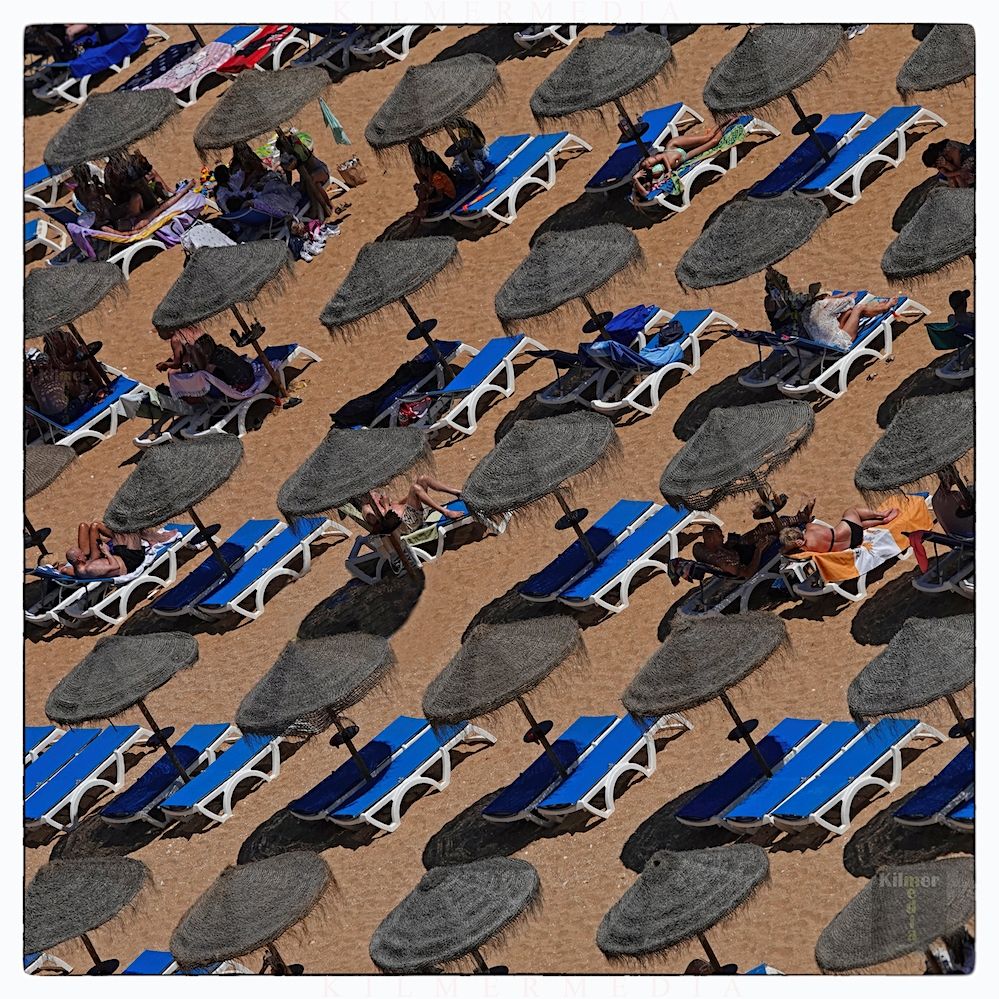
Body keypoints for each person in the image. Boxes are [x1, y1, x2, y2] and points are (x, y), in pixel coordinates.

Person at [631, 116, 739, 198]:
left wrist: (668, 170)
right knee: (714, 142)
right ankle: (727, 127)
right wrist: (636, 179)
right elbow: (645, 194)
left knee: (708, 137)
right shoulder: (650, 184)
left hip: (674, 147)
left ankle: (726, 119)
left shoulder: (645, 165)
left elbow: (663, 156)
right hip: (684, 158)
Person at [52, 521, 177, 578]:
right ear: (79, 558)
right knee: (133, 528)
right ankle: (158, 538)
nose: (82, 551)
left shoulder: (76, 569)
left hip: (121, 555)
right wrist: (106, 552)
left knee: (89, 526)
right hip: (130, 561)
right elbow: (115, 567)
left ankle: (149, 538)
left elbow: (64, 570)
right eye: (81, 552)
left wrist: (60, 569)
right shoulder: (89, 568)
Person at [359, 476, 465, 534]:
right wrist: (386, 505)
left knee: (422, 479)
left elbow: (397, 504)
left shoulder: (373, 496)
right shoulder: (368, 510)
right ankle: (445, 512)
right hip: (408, 523)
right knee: (415, 488)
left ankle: (456, 492)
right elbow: (388, 525)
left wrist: (411, 495)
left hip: (411, 513)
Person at [780, 505, 901, 554]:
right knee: (851, 511)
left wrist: (795, 545)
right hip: (850, 529)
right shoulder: (809, 527)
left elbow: (783, 551)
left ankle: (882, 520)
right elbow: (808, 519)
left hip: (852, 543)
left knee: (860, 524)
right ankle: (882, 515)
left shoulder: (806, 549)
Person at [802, 292, 902, 351]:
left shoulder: (806, 312)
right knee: (859, 308)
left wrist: (837, 297)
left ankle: (876, 309)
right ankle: (886, 306)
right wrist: (841, 297)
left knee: (848, 312)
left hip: (824, 347)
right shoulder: (827, 304)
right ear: (825, 298)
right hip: (840, 343)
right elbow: (850, 300)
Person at [408, 140, 457, 219]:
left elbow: (439, 195)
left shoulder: (437, 176)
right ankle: (421, 210)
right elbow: (423, 181)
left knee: (426, 191)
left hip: (444, 191)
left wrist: (427, 200)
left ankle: (422, 210)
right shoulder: (418, 167)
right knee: (422, 190)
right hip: (435, 186)